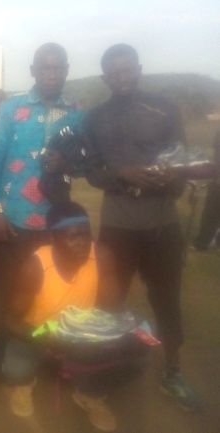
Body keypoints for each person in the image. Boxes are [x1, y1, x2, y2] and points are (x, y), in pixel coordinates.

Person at [83, 43, 206, 410]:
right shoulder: (94, 118)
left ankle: (172, 372)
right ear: (105, 77)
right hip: (117, 226)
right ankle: (105, 369)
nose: (122, 78)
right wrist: (122, 172)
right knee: (109, 301)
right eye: (114, 73)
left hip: (162, 223)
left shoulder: (164, 107)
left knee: (166, 299)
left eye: (127, 70)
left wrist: (169, 177)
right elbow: (90, 171)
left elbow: (184, 166)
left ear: (138, 68)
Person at [1, 202, 146, 432]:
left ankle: (89, 395)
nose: (82, 244)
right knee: (15, 370)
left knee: (137, 356)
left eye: (86, 235)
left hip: (80, 333)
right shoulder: (34, 267)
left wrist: (111, 334)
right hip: (40, 332)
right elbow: (10, 320)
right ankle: (24, 383)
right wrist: (44, 340)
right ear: (53, 238)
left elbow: (112, 307)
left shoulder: (101, 256)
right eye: (73, 237)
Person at [0, 43, 83, 365]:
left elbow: (87, 164)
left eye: (57, 68)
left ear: (67, 69)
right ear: (33, 71)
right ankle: (1, 351)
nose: (51, 74)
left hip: (56, 225)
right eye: (44, 68)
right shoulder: (11, 109)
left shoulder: (77, 113)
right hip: (14, 221)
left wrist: (68, 163)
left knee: (47, 290)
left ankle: (44, 353)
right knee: (6, 289)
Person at [192, 129, 220, 250]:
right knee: (210, 212)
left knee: (211, 212)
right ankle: (203, 242)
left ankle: (206, 242)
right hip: (217, 180)